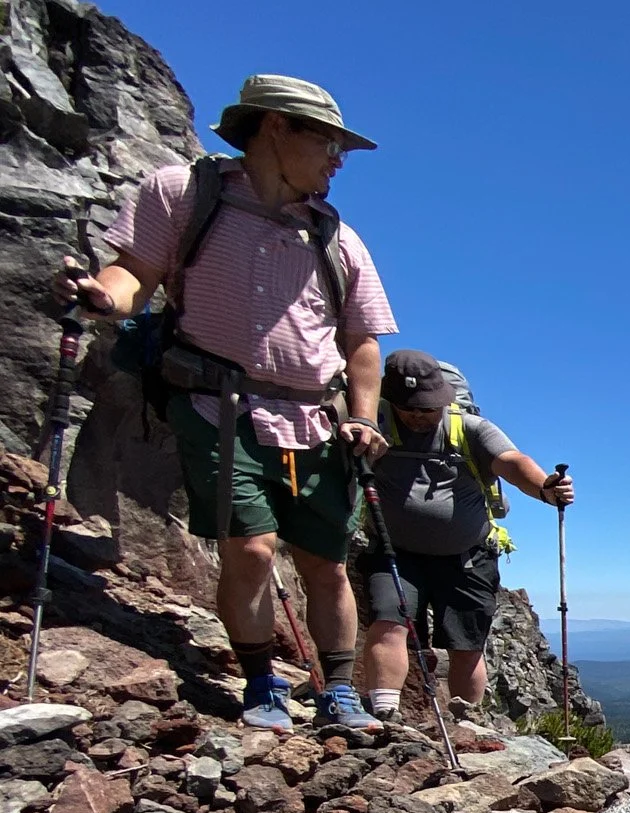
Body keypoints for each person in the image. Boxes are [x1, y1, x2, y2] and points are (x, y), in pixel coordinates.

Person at [55, 75, 395, 733]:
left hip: (318, 422)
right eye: (328, 141)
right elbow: (133, 276)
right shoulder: (183, 194)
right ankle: (261, 680)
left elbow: (361, 344)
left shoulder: (337, 237)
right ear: (274, 127)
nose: (338, 160)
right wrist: (103, 295)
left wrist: (360, 415)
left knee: (325, 563)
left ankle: (339, 692)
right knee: (253, 550)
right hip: (219, 405)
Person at [358, 350, 572, 720]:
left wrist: (544, 488)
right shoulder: (373, 423)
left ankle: (467, 724)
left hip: (467, 555)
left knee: (467, 646)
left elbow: (511, 462)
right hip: (395, 552)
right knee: (388, 622)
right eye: (411, 409)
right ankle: (384, 716)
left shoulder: (469, 428)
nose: (420, 416)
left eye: (429, 408)